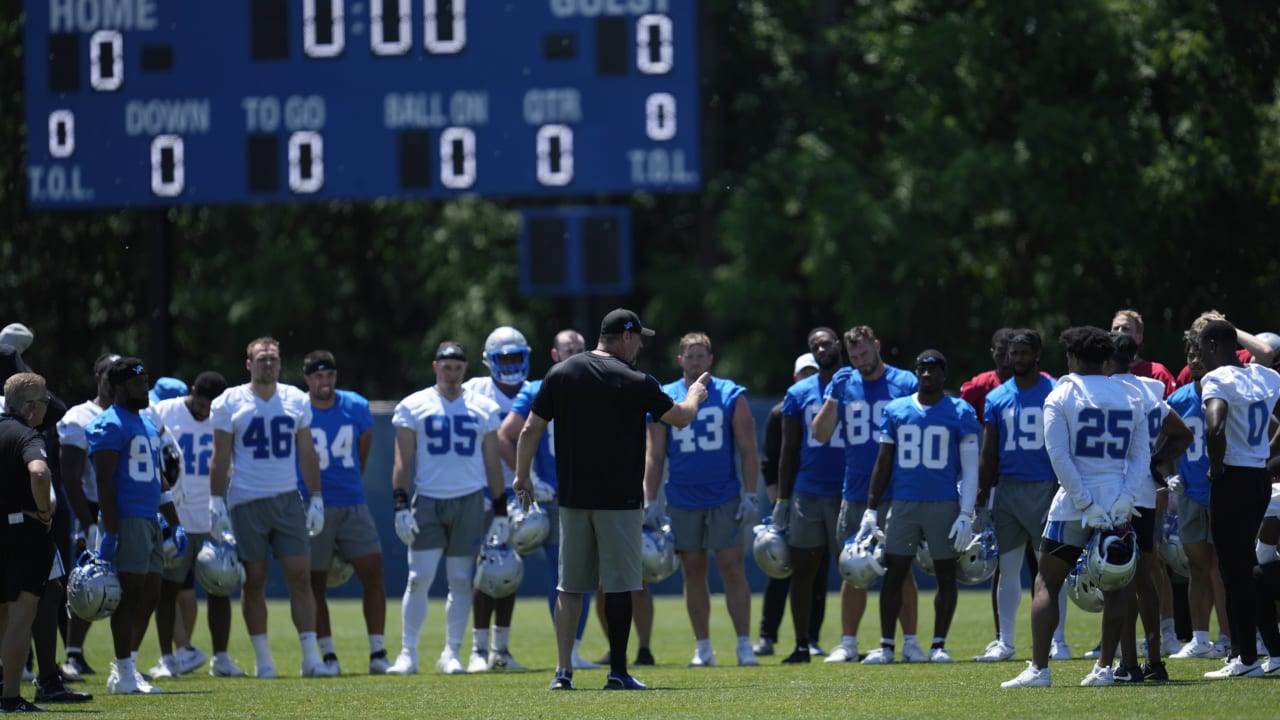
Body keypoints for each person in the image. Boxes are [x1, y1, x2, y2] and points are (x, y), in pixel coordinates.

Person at [511, 308, 708, 691]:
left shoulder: (561, 372)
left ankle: (562, 672)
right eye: (639, 338)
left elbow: (530, 428)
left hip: (572, 500)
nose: (641, 346)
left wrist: (522, 475)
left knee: (569, 588)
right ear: (627, 336)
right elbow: (681, 418)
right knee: (619, 586)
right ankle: (618, 672)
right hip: (618, 500)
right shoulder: (635, 379)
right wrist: (695, 394)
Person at [1003, 326, 1150, 688]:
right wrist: (1125, 498)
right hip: (1117, 503)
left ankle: (1039, 669)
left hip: (1073, 504)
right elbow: (1141, 455)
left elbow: (1058, 455)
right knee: (1116, 586)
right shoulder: (1131, 393)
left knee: (1046, 582)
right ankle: (1103, 669)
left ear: (1073, 357)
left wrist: (1084, 501)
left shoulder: (1063, 392)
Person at [208, 337, 334, 679]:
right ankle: (264, 660)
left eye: (273, 359)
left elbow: (307, 453)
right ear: (249, 364)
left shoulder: (295, 399)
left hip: (286, 497)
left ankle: (310, 659)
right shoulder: (228, 401)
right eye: (262, 359)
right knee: (255, 579)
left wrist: (317, 497)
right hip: (246, 500)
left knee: (300, 575)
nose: (268, 364)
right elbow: (219, 458)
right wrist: (216, 502)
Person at [386, 342, 507, 676]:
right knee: (418, 578)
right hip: (428, 499)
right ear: (435, 367)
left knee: (459, 579)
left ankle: (451, 652)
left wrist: (500, 510)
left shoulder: (482, 407)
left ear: (465, 369)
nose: (452, 374)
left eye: (457, 367)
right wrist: (399, 503)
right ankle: (408, 653)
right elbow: (402, 460)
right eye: (446, 367)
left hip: (469, 500)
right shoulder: (414, 405)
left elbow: (492, 462)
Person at [644, 332, 760, 667]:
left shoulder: (730, 393)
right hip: (682, 496)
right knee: (693, 571)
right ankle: (704, 647)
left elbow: (748, 448)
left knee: (732, 567)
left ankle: (743, 645)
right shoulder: (666, 394)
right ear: (680, 360)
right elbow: (655, 453)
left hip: (723, 493)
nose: (695, 362)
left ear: (711, 359)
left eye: (700, 356)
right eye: (689, 356)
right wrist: (650, 499)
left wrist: (750, 494)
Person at [811, 326, 921, 664]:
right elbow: (820, 432)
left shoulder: (905, 383)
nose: (860, 362)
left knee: (901, 569)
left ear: (877, 346)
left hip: (898, 489)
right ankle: (848, 642)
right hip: (856, 490)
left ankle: (912, 642)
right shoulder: (844, 383)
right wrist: (832, 396)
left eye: (864, 354)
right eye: (854, 356)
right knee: (852, 568)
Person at [862, 350, 979, 664]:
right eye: (922, 369)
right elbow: (883, 462)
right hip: (904, 502)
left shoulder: (960, 411)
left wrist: (967, 513)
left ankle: (939, 644)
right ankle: (887, 645)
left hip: (943, 503)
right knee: (894, 572)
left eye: (934, 369)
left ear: (944, 373)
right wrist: (871, 508)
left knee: (945, 573)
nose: (927, 375)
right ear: (916, 373)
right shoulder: (898, 410)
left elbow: (971, 468)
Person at [495, 329, 600, 670]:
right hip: (552, 497)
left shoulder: (600, 384)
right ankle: (487, 650)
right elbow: (505, 436)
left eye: (580, 348)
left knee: (584, 576)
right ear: (555, 355)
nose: (575, 353)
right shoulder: (537, 388)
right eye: (568, 349)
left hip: (588, 492)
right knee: (565, 574)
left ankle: (574, 650)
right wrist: (529, 476)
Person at [86, 358, 186, 694]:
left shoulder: (146, 423)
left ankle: (126, 666)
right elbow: (104, 482)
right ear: (117, 388)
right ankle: (124, 673)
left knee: (151, 595)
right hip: (126, 520)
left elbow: (158, 479)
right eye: (136, 384)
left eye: (146, 383)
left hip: (149, 519)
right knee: (129, 597)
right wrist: (110, 530)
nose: (144, 390)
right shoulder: (110, 424)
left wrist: (175, 523)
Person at [976, 330, 1071, 662]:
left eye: (1022, 353)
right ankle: (1006, 641)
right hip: (1010, 489)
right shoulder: (998, 396)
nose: (1015, 359)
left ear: (1037, 354)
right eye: (1012, 354)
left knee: (1051, 570)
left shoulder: (1057, 389)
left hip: (1047, 486)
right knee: (1008, 567)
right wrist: (981, 493)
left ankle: (1058, 641)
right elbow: (989, 453)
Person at [145, 371, 245, 678]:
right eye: (201, 405)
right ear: (192, 393)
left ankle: (222, 658)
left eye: (210, 407)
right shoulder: (165, 411)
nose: (204, 412)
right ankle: (167, 658)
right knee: (168, 589)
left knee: (220, 587)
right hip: (177, 515)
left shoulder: (224, 415)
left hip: (212, 516)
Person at [1108, 332, 1194, 680]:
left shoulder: (1103, 391)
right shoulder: (1148, 390)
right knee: (1145, 577)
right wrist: (1155, 463)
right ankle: (1154, 661)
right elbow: (1183, 433)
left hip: (1114, 493)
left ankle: (1128, 663)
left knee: (1120, 578)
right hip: (1145, 493)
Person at [1197, 319, 1280, 678]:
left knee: (1236, 572)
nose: (1199, 357)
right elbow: (1266, 353)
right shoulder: (1266, 377)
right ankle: (1254, 652)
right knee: (1244, 566)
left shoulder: (1217, 380)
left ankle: (1246, 658)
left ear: (1214, 345)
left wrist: (1216, 467)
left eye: (1201, 348)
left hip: (1233, 478)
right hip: (1260, 477)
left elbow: (1215, 427)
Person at [299, 351, 387, 675]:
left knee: (373, 571)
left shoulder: (355, 405)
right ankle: (328, 655)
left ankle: (378, 652)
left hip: (352, 500)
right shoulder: (298, 407)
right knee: (315, 582)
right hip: (313, 503)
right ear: (307, 379)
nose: (325, 381)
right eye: (318, 376)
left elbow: (362, 451)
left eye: (330, 375)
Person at [771, 327, 847, 664]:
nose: (820, 348)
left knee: (856, 568)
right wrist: (783, 499)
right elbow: (788, 449)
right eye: (814, 344)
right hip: (809, 491)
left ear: (838, 345)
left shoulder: (855, 383)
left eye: (825, 342)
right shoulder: (798, 392)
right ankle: (802, 643)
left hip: (850, 489)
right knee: (803, 570)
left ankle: (853, 642)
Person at [465, 327, 532, 673]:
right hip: (483, 492)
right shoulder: (473, 390)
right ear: (489, 361)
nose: (509, 364)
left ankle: (499, 651)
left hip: (520, 495)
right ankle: (477, 650)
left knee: (509, 573)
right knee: (486, 571)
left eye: (514, 357)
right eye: (502, 358)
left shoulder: (535, 391)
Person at [753, 353, 827, 657]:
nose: (809, 378)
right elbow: (770, 463)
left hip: (818, 497)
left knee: (817, 571)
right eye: (804, 373)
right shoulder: (779, 412)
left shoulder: (830, 408)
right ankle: (767, 635)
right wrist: (779, 504)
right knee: (779, 566)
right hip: (788, 499)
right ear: (795, 377)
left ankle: (811, 637)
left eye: (814, 373)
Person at [1167, 337, 1230, 660]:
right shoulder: (1177, 398)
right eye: (1190, 355)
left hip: (1221, 489)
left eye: (1200, 354)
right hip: (1190, 491)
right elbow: (1164, 442)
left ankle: (1227, 638)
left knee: (1221, 568)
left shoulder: (1224, 392)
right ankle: (1200, 637)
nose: (1195, 360)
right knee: (1196, 566)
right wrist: (1168, 475)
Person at [57, 353, 119, 677]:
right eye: (111, 375)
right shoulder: (79, 416)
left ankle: (127, 658)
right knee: (88, 582)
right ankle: (73, 653)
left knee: (137, 584)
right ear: (98, 377)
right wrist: (86, 521)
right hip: (93, 507)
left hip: (128, 506)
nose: (116, 382)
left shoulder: (135, 413)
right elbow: (70, 477)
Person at [0, 372, 56, 712]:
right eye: (46, 402)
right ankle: (10, 696)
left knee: (2, 617)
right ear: (32, 407)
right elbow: (38, 472)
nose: (47, 408)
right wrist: (43, 512)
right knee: (22, 615)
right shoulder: (27, 434)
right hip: (22, 532)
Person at [1110, 309, 1176, 397]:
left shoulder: (1157, 374)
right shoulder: (1100, 373)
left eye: (1125, 329)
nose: (1119, 332)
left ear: (1139, 338)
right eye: (1115, 328)